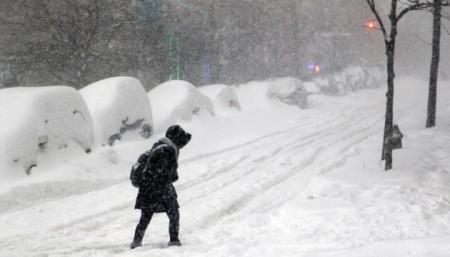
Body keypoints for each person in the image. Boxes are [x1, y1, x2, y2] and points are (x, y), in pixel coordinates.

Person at [130, 125, 191, 249]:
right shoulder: (167, 150)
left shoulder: (157, 147)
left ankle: (136, 241)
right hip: (160, 189)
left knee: (145, 217)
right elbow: (171, 175)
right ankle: (174, 241)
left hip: (147, 189)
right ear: (177, 139)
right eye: (181, 143)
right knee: (174, 213)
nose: (181, 146)